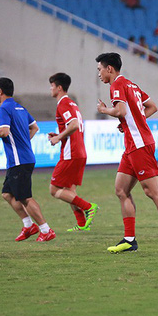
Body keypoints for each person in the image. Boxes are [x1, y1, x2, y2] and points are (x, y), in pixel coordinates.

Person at [95, 53, 158, 254]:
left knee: (152, 191)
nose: (99, 73)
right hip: (132, 145)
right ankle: (129, 240)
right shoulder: (131, 85)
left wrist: (105, 110)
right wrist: (132, 121)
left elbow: (120, 111)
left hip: (139, 145)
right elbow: (152, 107)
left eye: (100, 69)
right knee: (121, 190)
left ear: (110, 68)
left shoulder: (116, 85)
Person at [0, 77, 55, 242]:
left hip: (19, 160)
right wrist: (23, 141)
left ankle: (46, 230)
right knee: (7, 193)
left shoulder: (3, 109)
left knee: (25, 197)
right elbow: (35, 127)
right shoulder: (20, 108)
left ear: (0, 91)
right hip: (23, 158)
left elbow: (3, 131)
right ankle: (28, 225)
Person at [47, 73, 98, 232]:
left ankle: (89, 207)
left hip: (72, 153)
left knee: (54, 189)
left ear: (59, 87)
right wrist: (60, 136)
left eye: (52, 86)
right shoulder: (72, 104)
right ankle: (82, 224)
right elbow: (73, 125)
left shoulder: (63, 104)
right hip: (78, 151)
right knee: (69, 190)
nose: (50, 89)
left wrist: (59, 137)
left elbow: (74, 124)